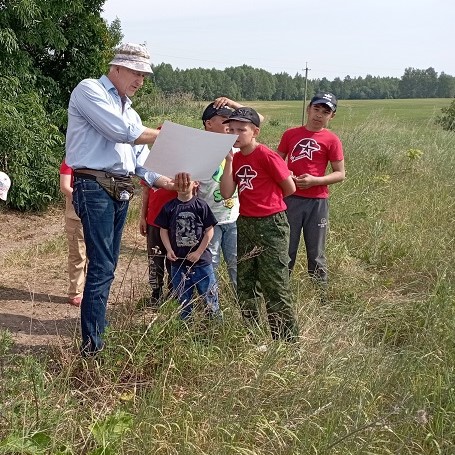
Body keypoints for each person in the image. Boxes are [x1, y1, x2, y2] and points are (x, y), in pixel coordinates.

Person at [65, 42, 190, 356]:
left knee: (108, 264)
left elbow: (144, 166)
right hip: (93, 185)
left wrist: (174, 185)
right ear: (116, 67)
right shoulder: (89, 90)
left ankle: (96, 337)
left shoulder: (130, 111)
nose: (140, 80)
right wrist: (166, 135)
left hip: (119, 187)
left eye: (145, 75)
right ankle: (92, 347)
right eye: (136, 72)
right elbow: (120, 131)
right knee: (104, 264)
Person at [220, 107, 298, 341]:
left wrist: (268, 204)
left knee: (274, 284)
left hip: (271, 224)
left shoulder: (266, 155)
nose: (235, 134)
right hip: (245, 223)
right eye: (230, 130)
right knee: (245, 282)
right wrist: (228, 161)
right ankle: (252, 333)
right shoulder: (237, 158)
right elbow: (226, 193)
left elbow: (289, 188)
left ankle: (286, 341)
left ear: (255, 131)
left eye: (241, 130)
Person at [277, 92, 345, 294]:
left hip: (317, 202)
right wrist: (286, 173)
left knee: (316, 252)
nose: (319, 115)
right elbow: (277, 161)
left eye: (325, 112)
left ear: (331, 116)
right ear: (308, 109)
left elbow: (340, 174)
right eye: (316, 109)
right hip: (290, 199)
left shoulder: (332, 140)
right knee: (287, 249)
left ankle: (320, 294)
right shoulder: (290, 134)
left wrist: (316, 181)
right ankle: (282, 291)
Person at [198, 97, 264, 288]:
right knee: (212, 262)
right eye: (224, 119)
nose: (230, 124)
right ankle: (211, 303)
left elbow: (257, 118)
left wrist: (233, 104)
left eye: (233, 121)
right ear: (208, 124)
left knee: (236, 263)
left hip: (234, 217)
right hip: (209, 219)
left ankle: (240, 302)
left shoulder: (236, 146)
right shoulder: (199, 148)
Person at [155, 180, 220, 320]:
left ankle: (215, 328)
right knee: (183, 301)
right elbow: (163, 230)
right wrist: (168, 249)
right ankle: (184, 329)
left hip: (202, 263)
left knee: (210, 297)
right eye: (179, 181)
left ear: (195, 183)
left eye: (187, 181)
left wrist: (198, 252)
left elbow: (210, 230)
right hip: (179, 263)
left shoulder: (201, 205)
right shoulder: (169, 207)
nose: (183, 184)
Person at [139, 184, 176, 307]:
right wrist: (142, 217)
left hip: (175, 220)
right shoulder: (150, 165)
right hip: (153, 220)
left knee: (174, 259)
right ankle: (156, 293)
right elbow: (145, 192)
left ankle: (173, 293)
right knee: (155, 259)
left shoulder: (181, 164)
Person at [59, 160, 87, 307]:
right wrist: (84, 200)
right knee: (78, 254)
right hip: (76, 215)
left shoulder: (91, 160)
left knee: (93, 255)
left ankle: (88, 291)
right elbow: (64, 187)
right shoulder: (69, 162)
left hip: (93, 215)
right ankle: (75, 292)